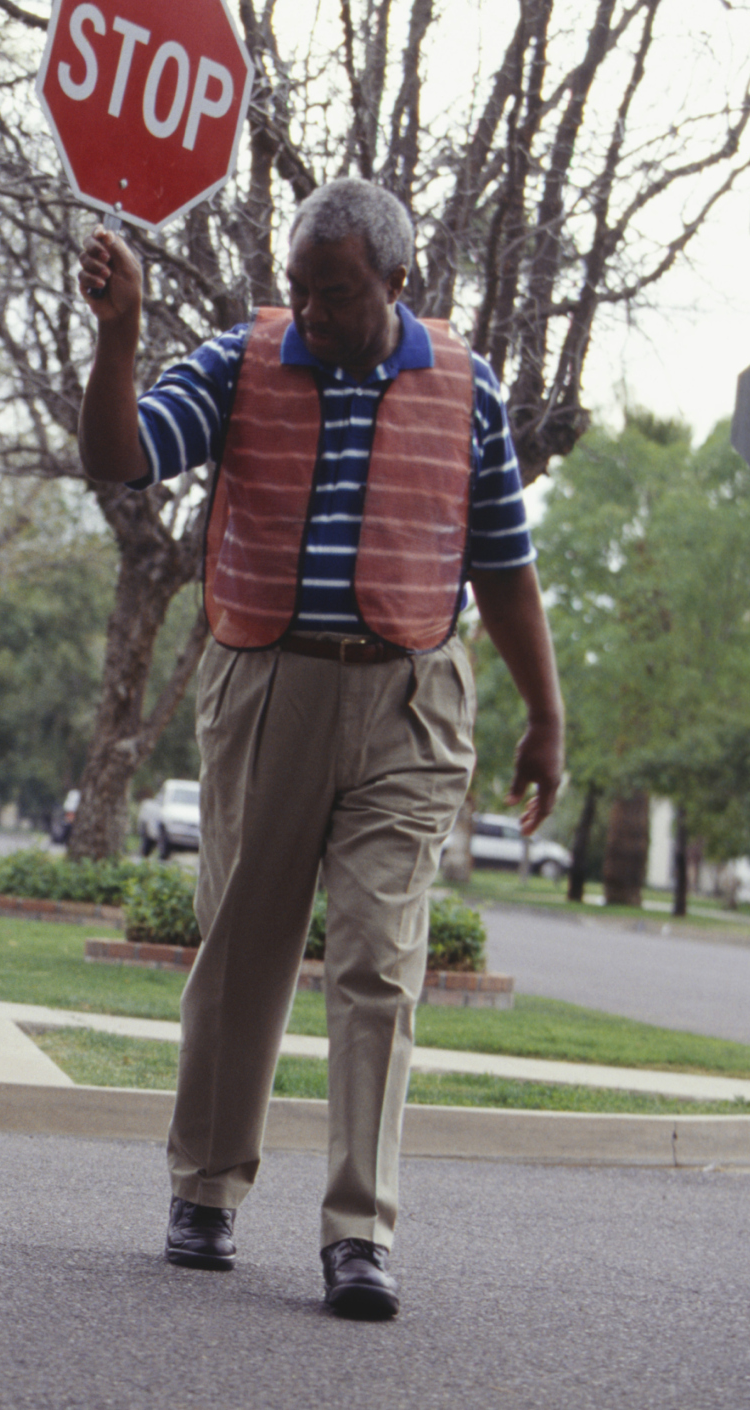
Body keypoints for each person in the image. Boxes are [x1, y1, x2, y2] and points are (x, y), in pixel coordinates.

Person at [75, 178, 564, 1320]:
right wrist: (119, 336)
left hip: (409, 696)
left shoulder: (466, 386)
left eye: (335, 294)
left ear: (396, 282)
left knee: (379, 960)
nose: (311, 313)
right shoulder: (240, 360)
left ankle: (358, 1229)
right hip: (266, 683)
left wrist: (544, 715)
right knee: (242, 945)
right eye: (297, 288)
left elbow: (500, 562)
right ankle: (203, 1188)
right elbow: (120, 455)